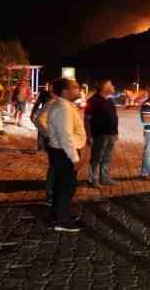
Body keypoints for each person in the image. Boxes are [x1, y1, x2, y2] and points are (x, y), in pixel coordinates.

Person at [46, 78, 86, 232]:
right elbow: (65, 136)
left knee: (61, 185)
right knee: (66, 187)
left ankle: (59, 215)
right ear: (64, 91)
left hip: (60, 151)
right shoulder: (63, 108)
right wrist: (75, 158)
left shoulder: (62, 105)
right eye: (75, 87)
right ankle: (61, 221)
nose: (79, 90)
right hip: (65, 152)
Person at [85, 80, 119, 188]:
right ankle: (92, 180)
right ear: (103, 87)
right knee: (96, 158)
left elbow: (114, 118)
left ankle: (104, 178)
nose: (113, 86)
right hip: (99, 134)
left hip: (111, 134)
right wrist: (88, 135)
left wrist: (116, 132)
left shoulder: (109, 100)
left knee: (107, 157)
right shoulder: (93, 101)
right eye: (110, 85)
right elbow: (87, 119)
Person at [32, 87, 56, 226]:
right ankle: (50, 195)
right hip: (53, 140)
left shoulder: (58, 103)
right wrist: (49, 134)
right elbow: (39, 120)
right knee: (54, 167)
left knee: (55, 167)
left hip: (55, 140)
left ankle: (52, 194)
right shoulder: (50, 103)